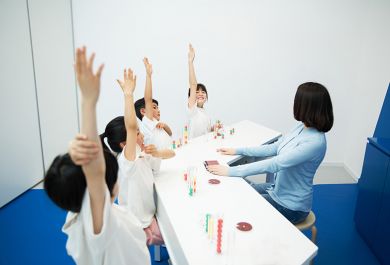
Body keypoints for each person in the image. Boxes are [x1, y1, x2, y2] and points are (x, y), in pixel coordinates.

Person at [44, 47, 150, 264]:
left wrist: (75, 152)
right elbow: (94, 174)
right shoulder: (99, 224)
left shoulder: (80, 218)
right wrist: (88, 102)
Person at [72, 69, 174, 245]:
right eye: (137, 135)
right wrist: (128, 95)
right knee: (175, 238)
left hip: (148, 216)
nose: (141, 136)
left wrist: (157, 152)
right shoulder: (128, 161)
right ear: (124, 144)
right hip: (139, 225)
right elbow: (132, 126)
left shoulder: (140, 155)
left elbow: (171, 153)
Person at [207, 82, 334, 224]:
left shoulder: (315, 142)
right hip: (276, 190)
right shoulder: (301, 127)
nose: (294, 103)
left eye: (297, 100)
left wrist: (230, 171)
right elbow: (273, 148)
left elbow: (275, 164)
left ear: (307, 106)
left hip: (291, 206)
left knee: (242, 203)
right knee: (243, 191)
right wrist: (237, 150)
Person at [134, 58, 172, 149]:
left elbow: (170, 133)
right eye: (154, 107)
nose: (158, 110)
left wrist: (165, 125)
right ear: (143, 111)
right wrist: (148, 75)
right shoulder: (147, 122)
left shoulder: (155, 124)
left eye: (158, 107)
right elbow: (148, 98)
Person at [187, 44, 212, 139]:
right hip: (194, 149)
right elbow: (193, 84)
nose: (200, 94)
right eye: (197, 92)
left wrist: (214, 128)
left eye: (203, 92)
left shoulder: (206, 114)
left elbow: (205, 131)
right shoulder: (192, 110)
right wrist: (190, 62)